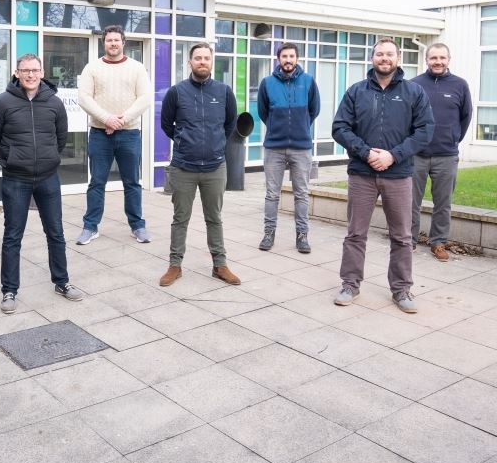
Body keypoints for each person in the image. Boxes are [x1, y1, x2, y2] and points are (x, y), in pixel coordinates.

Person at [332, 38, 434, 312]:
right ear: (372, 58)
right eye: (380, 54)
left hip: (399, 174)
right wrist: (366, 153)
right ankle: (350, 284)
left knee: (402, 236)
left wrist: (393, 155)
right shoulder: (356, 92)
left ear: (398, 59)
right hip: (361, 173)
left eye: (390, 54)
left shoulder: (414, 92)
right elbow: (340, 127)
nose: (384, 58)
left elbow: (425, 130)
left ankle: (401, 290)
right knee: (355, 233)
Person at [0, 54, 83, 313]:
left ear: (42, 72)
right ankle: (9, 291)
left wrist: (49, 158)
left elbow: (61, 138)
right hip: (16, 178)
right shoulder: (1, 103)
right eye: (25, 70)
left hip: (49, 177)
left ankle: (62, 281)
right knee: (12, 236)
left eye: (35, 70)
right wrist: (10, 159)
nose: (30, 75)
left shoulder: (54, 103)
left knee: (56, 232)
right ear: (16, 73)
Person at [159, 43, 241, 288]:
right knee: (180, 218)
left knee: (214, 217)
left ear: (211, 62)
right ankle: (175, 265)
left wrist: (213, 145)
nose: (202, 62)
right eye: (197, 58)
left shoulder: (224, 92)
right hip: (184, 166)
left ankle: (220, 264)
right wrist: (185, 141)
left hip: (215, 167)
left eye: (206, 58)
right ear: (189, 62)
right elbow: (166, 125)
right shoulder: (177, 92)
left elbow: (229, 125)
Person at [76, 25, 153, 245]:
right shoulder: (92, 68)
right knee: (97, 182)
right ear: (104, 43)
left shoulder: (137, 68)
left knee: (132, 182)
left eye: (116, 40)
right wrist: (107, 119)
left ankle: (137, 226)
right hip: (100, 134)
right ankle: (90, 227)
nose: (113, 44)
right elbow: (85, 98)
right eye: (109, 40)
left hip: (129, 134)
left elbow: (144, 99)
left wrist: (119, 121)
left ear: (123, 42)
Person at [409, 43, 473, 262]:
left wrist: (453, 138)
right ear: (426, 60)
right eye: (433, 58)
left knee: (443, 203)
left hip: (446, 155)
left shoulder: (460, 85)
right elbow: (405, 117)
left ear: (449, 59)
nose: (438, 62)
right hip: (416, 154)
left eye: (442, 58)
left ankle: (438, 242)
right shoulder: (414, 84)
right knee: (410, 201)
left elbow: (465, 117)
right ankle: (409, 240)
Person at [257, 42, 320, 254]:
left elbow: (314, 110)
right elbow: (263, 112)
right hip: (274, 147)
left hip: (301, 147)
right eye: (284, 56)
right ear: (278, 59)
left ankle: (302, 236)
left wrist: (300, 128)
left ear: (297, 59)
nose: (288, 60)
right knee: (272, 194)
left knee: (301, 194)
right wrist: (278, 127)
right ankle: (268, 233)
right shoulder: (267, 83)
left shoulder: (308, 82)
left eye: (292, 56)